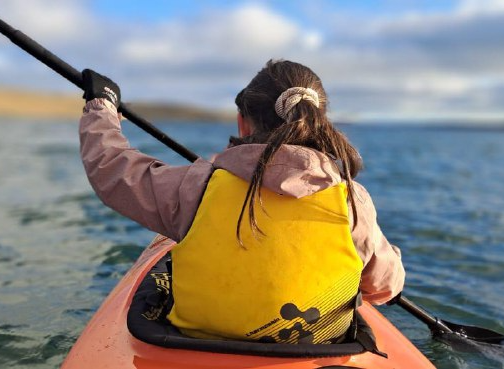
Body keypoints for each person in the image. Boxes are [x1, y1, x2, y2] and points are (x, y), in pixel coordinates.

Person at [78, 59, 404, 345]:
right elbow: (384, 287)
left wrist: (102, 105)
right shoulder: (352, 201)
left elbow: (112, 169)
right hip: (315, 351)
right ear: (319, 122)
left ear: (242, 123)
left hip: (198, 349)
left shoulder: (198, 186)